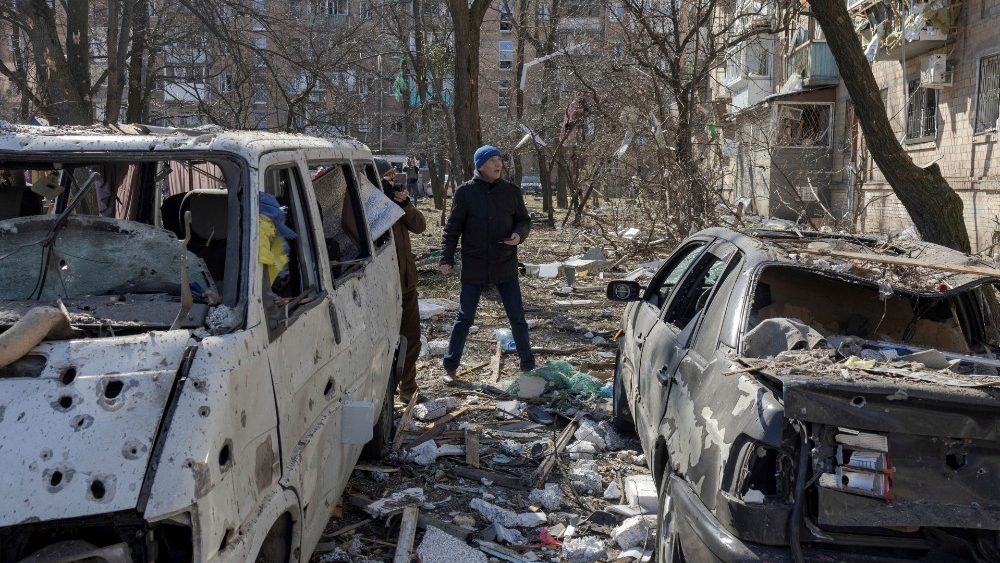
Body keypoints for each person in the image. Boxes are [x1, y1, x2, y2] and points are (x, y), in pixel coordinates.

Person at [439, 145, 535, 382]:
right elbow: (452, 230)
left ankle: (528, 366)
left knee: (517, 317)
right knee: (464, 318)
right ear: (480, 164)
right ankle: (450, 367)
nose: (498, 164)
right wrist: (446, 258)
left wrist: (518, 235)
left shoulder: (511, 192)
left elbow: (524, 220)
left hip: (505, 264)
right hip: (475, 264)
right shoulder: (465, 193)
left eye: (499, 159)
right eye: (492, 160)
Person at [375, 158, 426, 403]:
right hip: (380, 287)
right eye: (387, 177)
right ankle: (382, 394)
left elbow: (420, 226)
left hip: (406, 283)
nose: (393, 182)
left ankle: (408, 387)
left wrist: (406, 204)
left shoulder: (399, 203)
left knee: (411, 337)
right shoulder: (366, 205)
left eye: (394, 177)